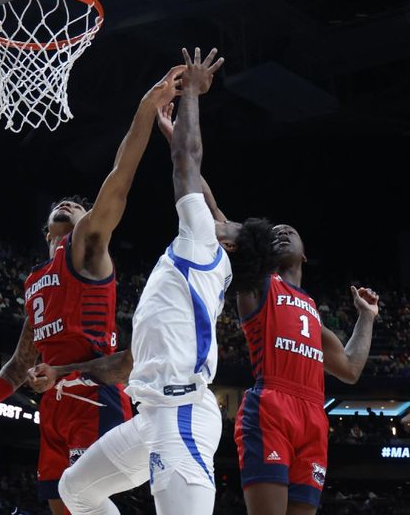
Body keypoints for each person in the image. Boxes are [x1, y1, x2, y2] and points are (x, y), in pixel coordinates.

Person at [0, 63, 187, 515]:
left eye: (80, 206)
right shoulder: (33, 283)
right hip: (54, 413)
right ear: (46, 232)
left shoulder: (85, 249)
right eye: (62, 205)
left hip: (92, 397)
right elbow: (20, 364)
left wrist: (144, 109)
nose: (70, 204)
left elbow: (119, 178)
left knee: (84, 501)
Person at [26, 46, 280, 515]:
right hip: (151, 416)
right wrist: (170, 132)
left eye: (229, 223)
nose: (220, 217)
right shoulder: (214, 259)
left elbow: (188, 163)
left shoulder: (204, 243)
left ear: (229, 242)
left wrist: (193, 99)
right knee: (75, 490)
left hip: (181, 415)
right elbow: (203, 186)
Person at [234, 225, 380, 515]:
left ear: (304, 255)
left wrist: (367, 316)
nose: (282, 233)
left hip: (313, 417)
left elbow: (350, 368)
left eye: (290, 231)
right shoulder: (257, 283)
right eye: (274, 233)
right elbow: (229, 233)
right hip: (271, 407)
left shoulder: (312, 311)